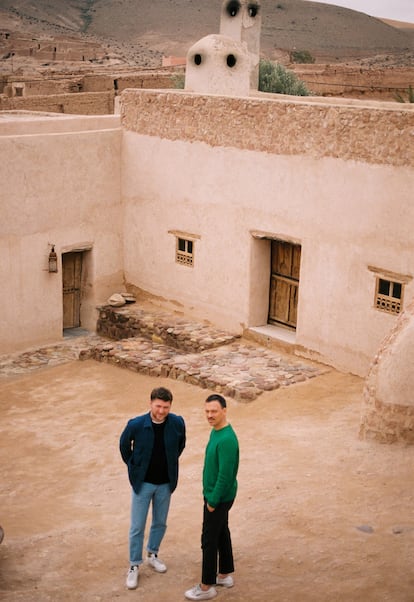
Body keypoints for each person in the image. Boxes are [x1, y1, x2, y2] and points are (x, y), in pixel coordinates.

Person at [119, 386, 186, 590]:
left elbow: (180, 445)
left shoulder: (177, 422)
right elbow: (124, 447)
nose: (161, 411)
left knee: (160, 522)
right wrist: (134, 467)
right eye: (158, 406)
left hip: (165, 483)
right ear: (151, 404)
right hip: (143, 483)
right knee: (137, 526)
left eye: (166, 407)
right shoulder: (136, 424)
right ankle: (134, 565)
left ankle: (153, 554)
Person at [185, 394, 239, 601]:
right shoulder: (217, 431)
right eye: (207, 411)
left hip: (218, 498)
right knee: (221, 532)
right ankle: (224, 574)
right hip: (218, 496)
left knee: (208, 540)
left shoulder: (226, 439)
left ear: (224, 410)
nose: (210, 415)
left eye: (214, 411)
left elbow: (225, 475)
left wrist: (213, 501)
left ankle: (206, 587)